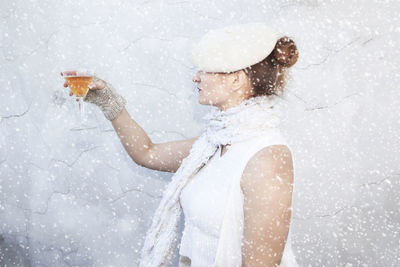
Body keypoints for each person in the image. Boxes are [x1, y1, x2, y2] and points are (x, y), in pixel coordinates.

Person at [61, 22, 299, 267]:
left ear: (236, 80)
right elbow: (147, 153)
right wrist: (108, 101)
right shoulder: (214, 143)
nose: (195, 77)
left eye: (204, 70)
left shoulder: (268, 158)